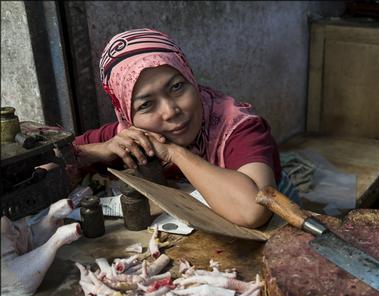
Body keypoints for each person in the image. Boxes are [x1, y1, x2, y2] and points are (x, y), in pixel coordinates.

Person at [73, 28, 299, 228]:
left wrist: (175, 153)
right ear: (126, 114)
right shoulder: (128, 137)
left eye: (177, 87)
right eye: (146, 104)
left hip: (282, 231)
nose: (170, 111)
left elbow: (253, 211)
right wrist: (97, 151)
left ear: (191, 78)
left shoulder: (238, 128)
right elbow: (51, 166)